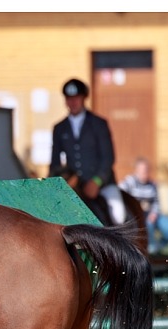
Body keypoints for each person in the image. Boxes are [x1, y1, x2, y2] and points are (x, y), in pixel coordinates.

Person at [49, 78, 125, 226]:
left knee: (118, 214)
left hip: (102, 184)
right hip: (74, 185)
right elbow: (55, 162)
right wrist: (55, 184)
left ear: (84, 98)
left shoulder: (99, 124)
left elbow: (108, 158)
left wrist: (96, 181)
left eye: (76, 98)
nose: (73, 103)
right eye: (69, 99)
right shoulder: (59, 128)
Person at [119, 157, 168, 254]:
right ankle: (149, 250)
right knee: (147, 224)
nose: (145, 172)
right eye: (143, 170)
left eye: (147, 170)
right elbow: (120, 194)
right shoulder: (129, 182)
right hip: (136, 217)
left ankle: (158, 247)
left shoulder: (152, 185)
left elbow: (156, 203)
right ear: (136, 170)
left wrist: (154, 213)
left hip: (152, 215)